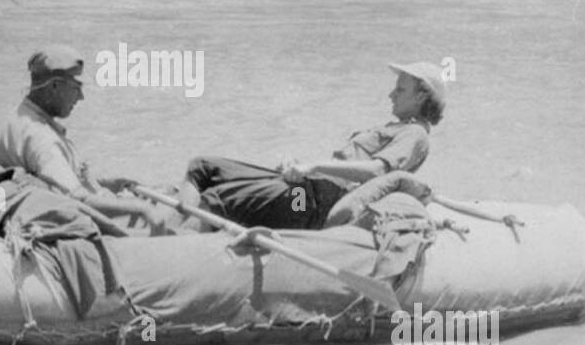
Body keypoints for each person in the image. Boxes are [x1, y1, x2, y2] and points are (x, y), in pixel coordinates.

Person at [181, 61, 446, 231]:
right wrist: (299, 165)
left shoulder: (415, 135)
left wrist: (313, 165)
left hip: (307, 205)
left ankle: (177, 245)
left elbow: (377, 171)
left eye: (400, 90)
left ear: (422, 95)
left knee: (220, 198)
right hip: (304, 189)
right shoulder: (395, 128)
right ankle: (179, 226)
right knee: (203, 168)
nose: (391, 94)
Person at [0, 45, 167, 230]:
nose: (81, 97)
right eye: (76, 87)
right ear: (55, 86)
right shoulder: (40, 138)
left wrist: (106, 183)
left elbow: (54, 179)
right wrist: (140, 208)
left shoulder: (22, 117)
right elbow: (78, 200)